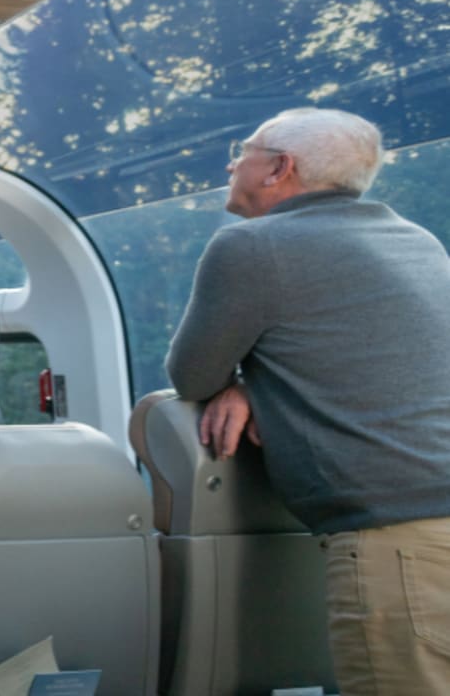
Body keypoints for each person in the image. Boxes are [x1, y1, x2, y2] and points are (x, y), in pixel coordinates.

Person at [166, 108, 450, 696]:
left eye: (243, 149)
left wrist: (243, 381)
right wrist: (258, 383)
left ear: (279, 169)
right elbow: (382, 355)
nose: (231, 163)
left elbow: (192, 375)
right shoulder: (414, 240)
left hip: (396, 544)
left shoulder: (253, 246)